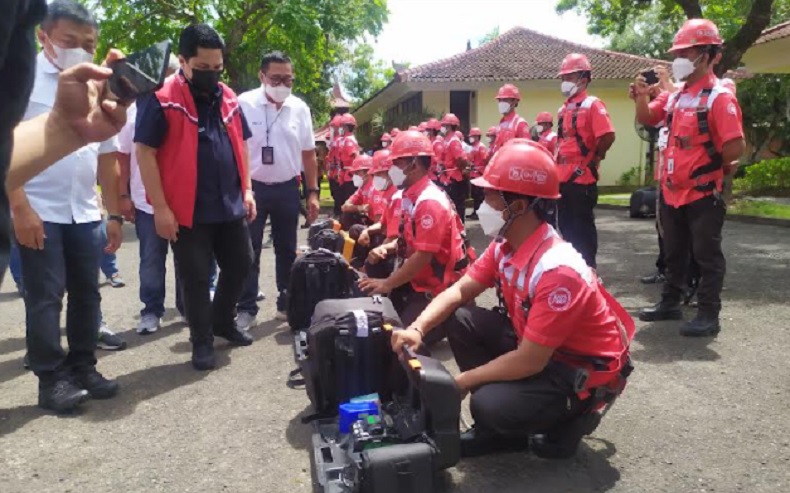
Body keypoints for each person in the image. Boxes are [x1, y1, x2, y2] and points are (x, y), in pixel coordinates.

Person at [391, 140, 634, 458]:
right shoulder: (506, 244)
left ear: (518, 207)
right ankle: (500, 430)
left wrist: (463, 382)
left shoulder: (558, 271)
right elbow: (460, 290)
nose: (482, 203)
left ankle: (570, 416)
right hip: (542, 350)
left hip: (574, 369)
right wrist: (418, 328)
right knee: (462, 316)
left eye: (491, 196)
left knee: (487, 404)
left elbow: (530, 360)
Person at [8, 0, 125, 413]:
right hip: (39, 208)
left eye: (88, 43)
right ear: (44, 37)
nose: (80, 49)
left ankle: (83, 366)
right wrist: (19, 207)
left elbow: (108, 156)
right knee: (45, 298)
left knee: (88, 295)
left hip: (84, 211)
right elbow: (7, 148)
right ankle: (50, 377)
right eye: (69, 40)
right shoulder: (23, 79)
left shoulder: (96, 85)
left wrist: (113, 213)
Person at [136, 24, 257, 370]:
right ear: (184, 62)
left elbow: (241, 146)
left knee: (241, 264)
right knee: (196, 277)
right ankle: (201, 341)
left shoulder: (229, 97)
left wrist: (247, 188)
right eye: (203, 68)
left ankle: (221, 320)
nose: (211, 75)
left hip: (229, 202)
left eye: (217, 67)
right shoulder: (161, 97)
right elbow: (144, 151)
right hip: (186, 207)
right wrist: (159, 207)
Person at [634, 19, 744, 337]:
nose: (680, 58)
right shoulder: (677, 95)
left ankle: (709, 314)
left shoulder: (718, 97)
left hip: (702, 191)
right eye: (679, 52)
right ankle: (670, 302)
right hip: (672, 191)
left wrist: (711, 168)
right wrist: (642, 95)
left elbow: (735, 145)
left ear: (710, 55)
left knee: (706, 255)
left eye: (689, 51)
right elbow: (649, 117)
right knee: (674, 251)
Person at [358, 130, 471, 345]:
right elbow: (408, 242)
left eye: (397, 163)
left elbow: (423, 256)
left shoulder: (429, 202)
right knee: (376, 317)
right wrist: (387, 249)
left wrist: (388, 283)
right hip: (419, 282)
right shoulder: (412, 196)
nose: (391, 170)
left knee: (395, 342)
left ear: (414, 165)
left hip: (438, 289)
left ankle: (450, 316)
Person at [235, 50, 320, 330]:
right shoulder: (244, 103)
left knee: (287, 250)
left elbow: (309, 154)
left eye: (288, 79)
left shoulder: (300, 108)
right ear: (262, 76)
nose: (282, 85)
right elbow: (236, 149)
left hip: (287, 188)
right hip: (253, 189)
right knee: (249, 250)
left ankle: (287, 303)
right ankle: (246, 307)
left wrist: (313, 192)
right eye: (276, 78)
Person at [556, 53, 616, 270]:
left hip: (582, 178)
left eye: (570, 77)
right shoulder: (563, 109)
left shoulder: (592, 105)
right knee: (565, 227)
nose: (565, 82)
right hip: (563, 178)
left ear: (583, 78)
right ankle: (572, 270)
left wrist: (596, 157)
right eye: (564, 78)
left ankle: (588, 269)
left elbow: (607, 135)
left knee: (582, 229)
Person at [438, 114, 470, 222]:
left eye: (444, 125)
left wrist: (463, 170)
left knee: (458, 206)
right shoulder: (447, 140)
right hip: (448, 177)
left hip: (455, 178)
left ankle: (461, 231)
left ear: (450, 126)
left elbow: (460, 159)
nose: (442, 127)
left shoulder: (453, 141)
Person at [492, 84, 530, 155]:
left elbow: (525, 153)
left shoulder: (520, 124)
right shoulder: (501, 124)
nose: (501, 103)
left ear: (514, 102)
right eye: (500, 100)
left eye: (505, 100)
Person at [340, 154, 375, 230]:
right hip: (369, 219)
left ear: (368, 172)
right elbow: (344, 207)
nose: (354, 176)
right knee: (346, 216)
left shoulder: (375, 188)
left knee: (355, 229)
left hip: (378, 223)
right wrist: (359, 208)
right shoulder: (362, 188)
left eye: (357, 172)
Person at [336, 113, 360, 208]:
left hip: (350, 175)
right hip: (347, 173)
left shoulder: (349, 141)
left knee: (348, 199)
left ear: (346, 127)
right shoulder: (347, 139)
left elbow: (355, 156)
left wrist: (353, 171)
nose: (340, 129)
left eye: (341, 126)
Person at [467, 127, 489, 220]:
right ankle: (475, 211)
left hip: (479, 174)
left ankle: (480, 213)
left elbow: (484, 159)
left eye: (472, 136)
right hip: (473, 174)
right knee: (474, 195)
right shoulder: (473, 147)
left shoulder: (481, 146)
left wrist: (478, 168)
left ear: (477, 137)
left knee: (479, 195)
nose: (470, 138)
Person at [327, 115, 343, 218]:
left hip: (339, 173)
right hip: (335, 173)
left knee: (339, 195)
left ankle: (339, 213)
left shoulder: (339, 141)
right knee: (336, 194)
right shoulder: (335, 141)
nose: (332, 130)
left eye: (333, 127)